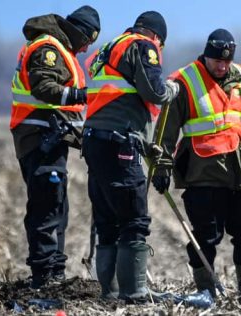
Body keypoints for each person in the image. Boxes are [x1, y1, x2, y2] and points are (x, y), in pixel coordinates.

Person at [151, 28, 241, 305]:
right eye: (217, 60)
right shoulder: (184, 81)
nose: (222, 66)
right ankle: (206, 291)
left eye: (226, 61)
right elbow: (165, 131)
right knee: (206, 236)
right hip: (203, 173)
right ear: (206, 55)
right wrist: (162, 167)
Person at [82, 11, 179, 301]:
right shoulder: (143, 46)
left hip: (96, 141)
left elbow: (121, 98)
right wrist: (172, 89)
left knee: (108, 222)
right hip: (119, 143)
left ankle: (110, 293)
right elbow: (154, 91)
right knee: (134, 220)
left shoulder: (109, 49)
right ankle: (134, 293)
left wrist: (147, 144)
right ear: (157, 37)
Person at [9, 5, 100, 289]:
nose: (86, 50)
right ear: (79, 34)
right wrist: (81, 95)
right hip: (39, 136)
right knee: (48, 204)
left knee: (57, 204)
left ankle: (54, 272)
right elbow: (43, 86)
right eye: (87, 42)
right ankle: (45, 275)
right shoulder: (48, 48)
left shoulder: (59, 48)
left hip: (48, 136)